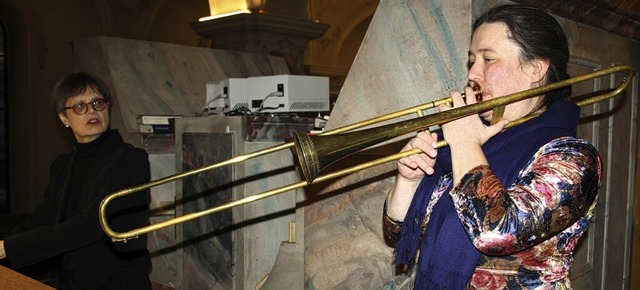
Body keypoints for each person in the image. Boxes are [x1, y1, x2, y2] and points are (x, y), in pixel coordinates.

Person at [383, 4, 601, 289]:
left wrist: (464, 141)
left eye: (488, 59)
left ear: (535, 68)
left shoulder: (574, 158)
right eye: (472, 60)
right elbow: (396, 231)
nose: (473, 73)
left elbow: (497, 231)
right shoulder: (465, 147)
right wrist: (408, 180)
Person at [0, 72, 152, 289]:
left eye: (97, 103)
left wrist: (8, 247)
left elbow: (90, 225)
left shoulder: (130, 159)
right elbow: (44, 220)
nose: (91, 110)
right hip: (71, 282)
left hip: (116, 283)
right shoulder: (62, 165)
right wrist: (5, 242)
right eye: (79, 106)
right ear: (64, 118)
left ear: (107, 108)